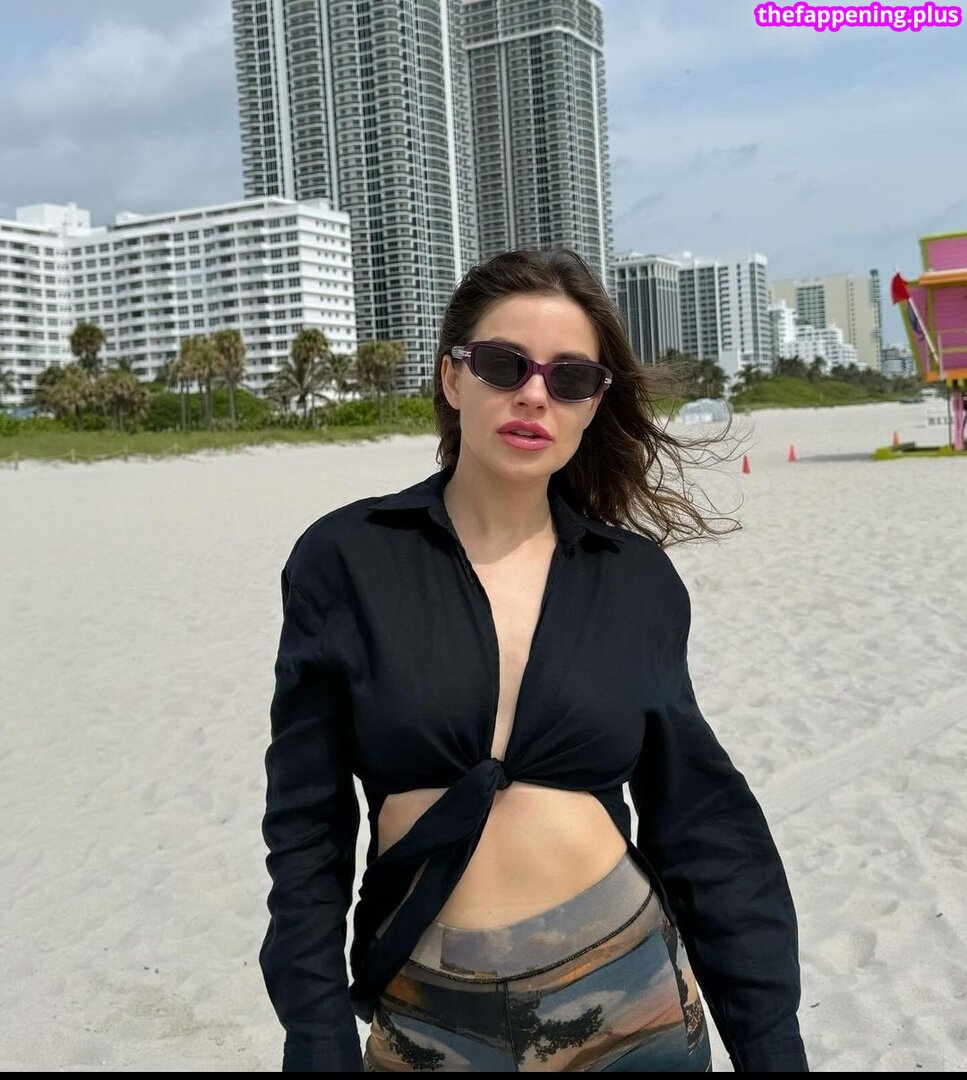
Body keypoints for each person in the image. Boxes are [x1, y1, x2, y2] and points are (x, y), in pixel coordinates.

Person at [259, 248, 809, 1073]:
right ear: (453, 378)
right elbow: (306, 828)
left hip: (630, 1001)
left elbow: (701, 824)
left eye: (570, 377)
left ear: (593, 404)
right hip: (427, 1013)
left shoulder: (634, 581)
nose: (533, 394)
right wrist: (314, 1038)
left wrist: (770, 1047)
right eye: (502, 364)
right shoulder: (347, 559)